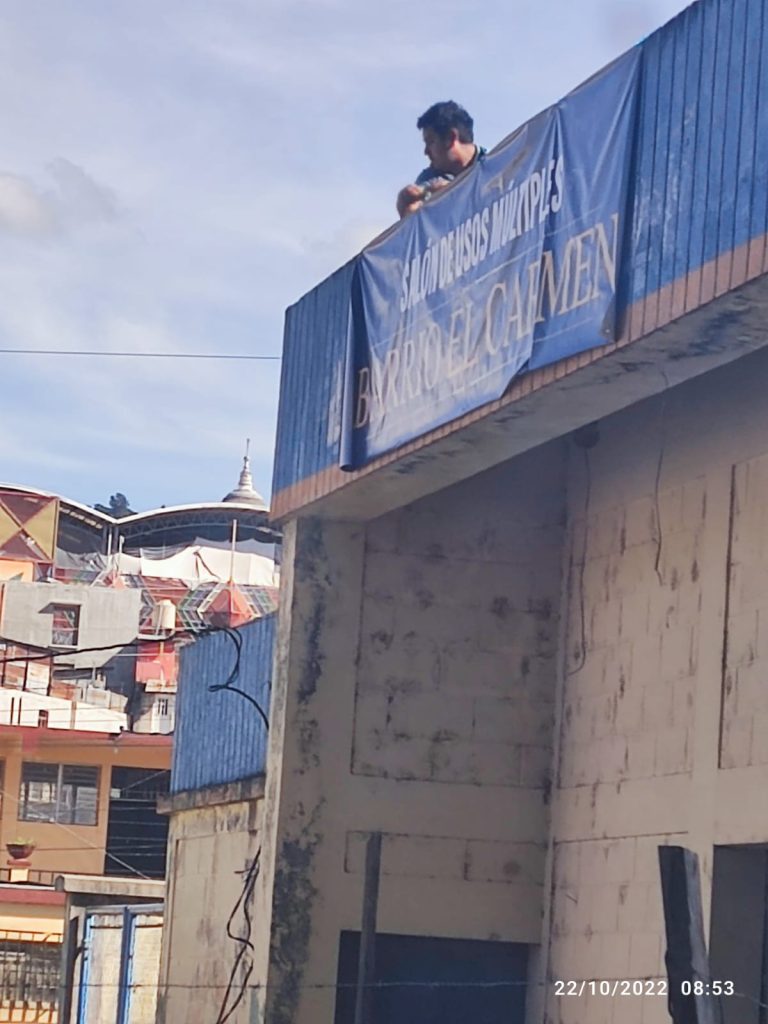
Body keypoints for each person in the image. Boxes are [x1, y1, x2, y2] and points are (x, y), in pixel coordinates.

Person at [396, 101, 485, 219]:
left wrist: (459, 192)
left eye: (431, 142)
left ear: (450, 138)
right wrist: (409, 210)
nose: (426, 152)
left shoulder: (495, 164)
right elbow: (416, 213)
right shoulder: (429, 177)